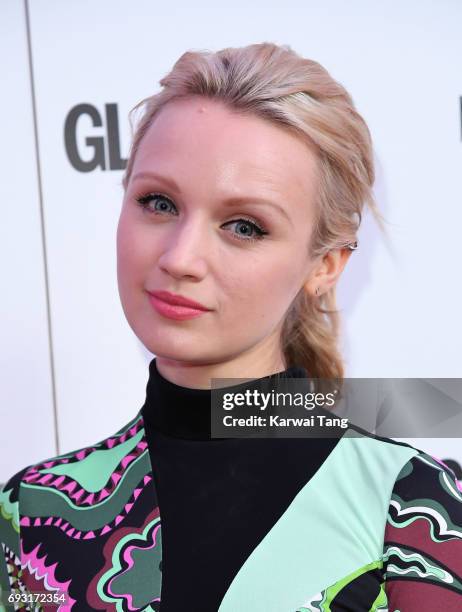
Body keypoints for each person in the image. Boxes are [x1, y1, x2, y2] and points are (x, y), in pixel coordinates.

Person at [1, 41, 461, 612]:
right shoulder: (34, 512)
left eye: (244, 226)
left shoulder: (413, 505)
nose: (180, 258)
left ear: (326, 265)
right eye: (159, 203)